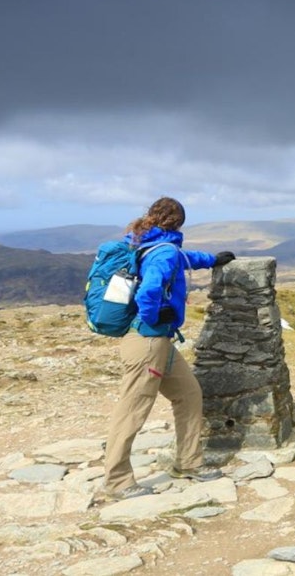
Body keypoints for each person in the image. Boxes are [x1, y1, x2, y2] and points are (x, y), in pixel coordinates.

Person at [101, 196, 236, 501]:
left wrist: (212, 260)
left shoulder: (151, 244)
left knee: (188, 394)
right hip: (148, 342)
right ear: (178, 222)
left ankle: (188, 463)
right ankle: (117, 481)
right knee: (132, 411)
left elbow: (183, 258)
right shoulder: (163, 252)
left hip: (159, 342)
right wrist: (153, 316)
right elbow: (149, 289)